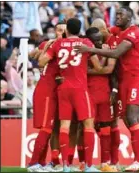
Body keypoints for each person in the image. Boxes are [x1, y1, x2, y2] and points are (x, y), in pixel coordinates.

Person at [75, 7, 139, 171]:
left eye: (121, 15)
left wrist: (90, 49)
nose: (117, 17)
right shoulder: (116, 31)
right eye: (116, 14)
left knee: (132, 116)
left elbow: (116, 53)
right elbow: (98, 31)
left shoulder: (134, 32)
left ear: (129, 18)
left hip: (137, 78)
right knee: (127, 120)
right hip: (123, 81)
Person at [38, 18, 101, 172]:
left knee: (64, 127)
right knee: (88, 126)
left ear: (67, 31)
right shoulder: (85, 42)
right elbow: (98, 67)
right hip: (80, 88)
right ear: (79, 30)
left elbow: (41, 62)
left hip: (63, 88)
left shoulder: (58, 44)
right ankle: (88, 166)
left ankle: (66, 166)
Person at [27, 22, 67, 172]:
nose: (60, 33)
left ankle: (42, 163)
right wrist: (45, 47)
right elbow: (32, 56)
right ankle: (33, 163)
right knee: (47, 128)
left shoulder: (66, 46)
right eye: (58, 30)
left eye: (63, 30)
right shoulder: (51, 44)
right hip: (47, 90)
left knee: (51, 128)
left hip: (56, 91)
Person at [86, 19, 121, 171]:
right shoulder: (86, 48)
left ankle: (109, 161)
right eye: (96, 38)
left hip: (107, 92)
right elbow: (103, 69)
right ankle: (84, 163)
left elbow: (110, 71)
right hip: (89, 93)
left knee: (110, 126)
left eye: (100, 34)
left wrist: (114, 90)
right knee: (87, 128)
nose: (99, 40)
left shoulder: (111, 46)